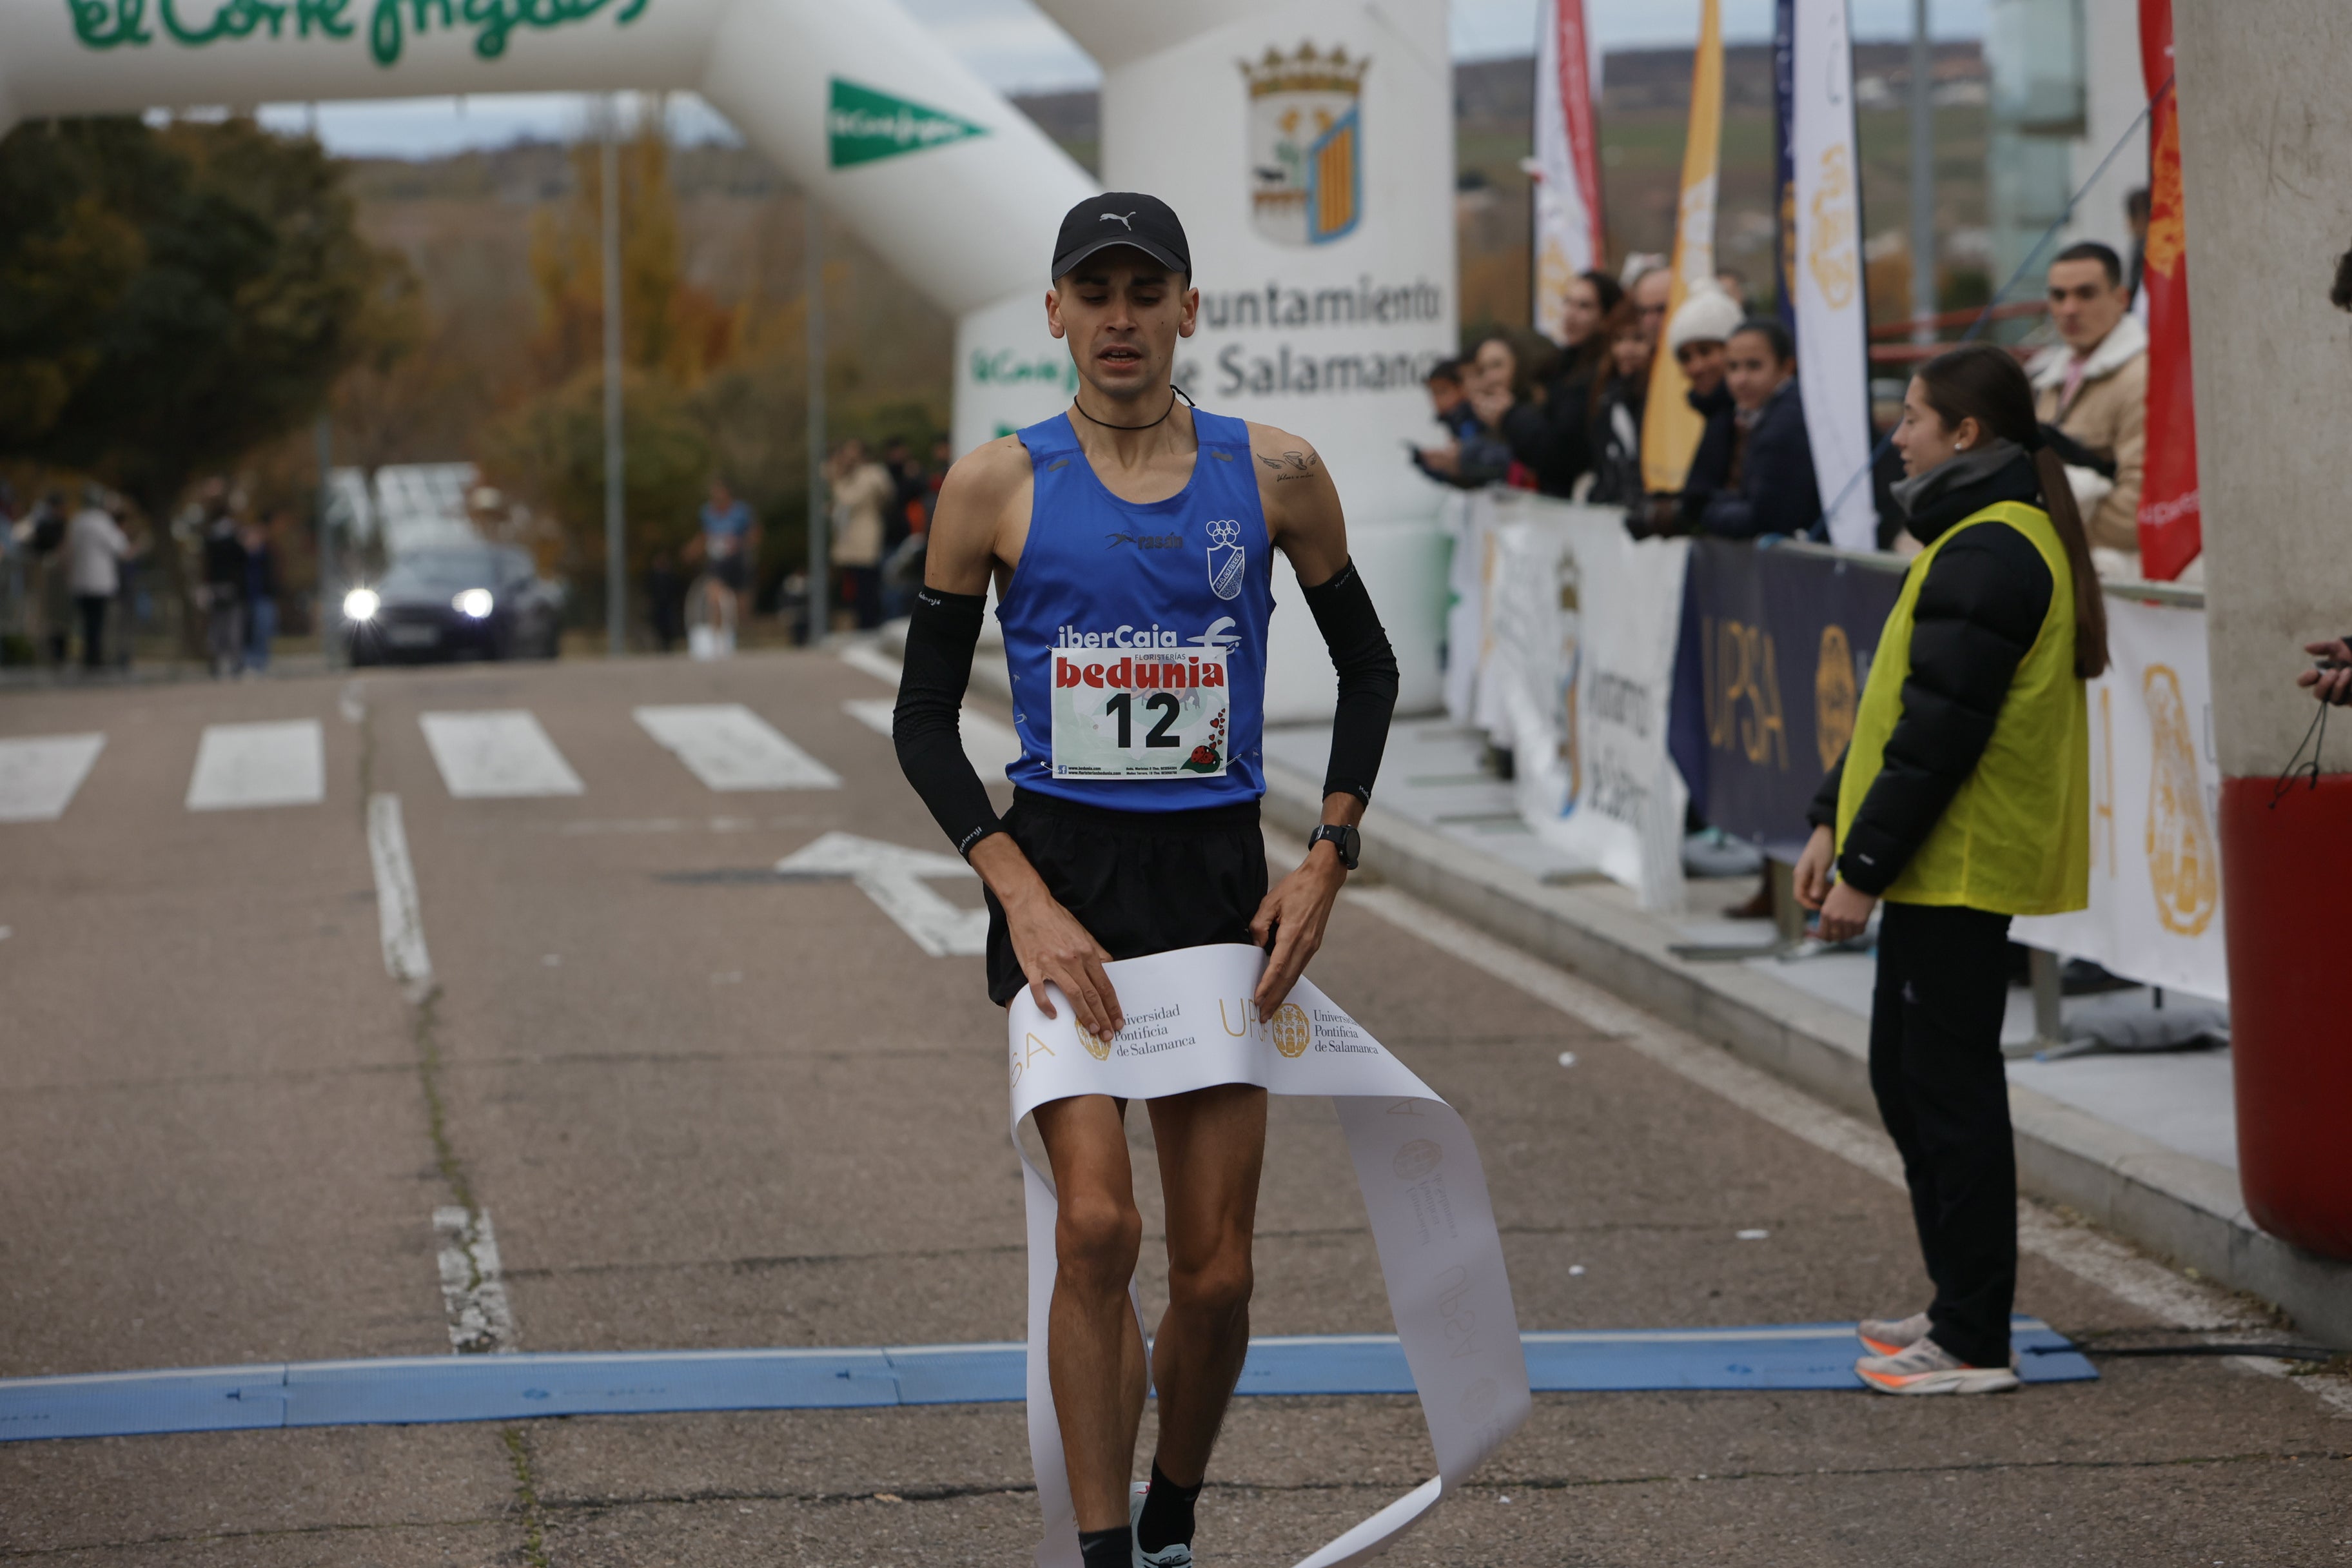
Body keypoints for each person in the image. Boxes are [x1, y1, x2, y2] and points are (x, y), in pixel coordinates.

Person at [892, 191, 1398, 1568]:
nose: (1119, 320)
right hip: (1063, 871)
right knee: (1100, 1225)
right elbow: (923, 718)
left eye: (1144, 291)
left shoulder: (1278, 473)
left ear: (1189, 306)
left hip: (1219, 887)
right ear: (1054, 314)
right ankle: (1106, 1551)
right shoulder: (996, 483)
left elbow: (1372, 667)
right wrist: (1019, 891)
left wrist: (1328, 854)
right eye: (1092, 294)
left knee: (1220, 1271)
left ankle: (1173, 1516)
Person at [1794, 342, 2108, 1396]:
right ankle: (1954, 1305)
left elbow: (1939, 732)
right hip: (1934, 861)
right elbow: (1897, 703)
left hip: (1957, 862)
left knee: (1947, 1093)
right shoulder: (1973, 538)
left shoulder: (1991, 550)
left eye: (1913, 416)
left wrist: (1862, 865)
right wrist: (1824, 820)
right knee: (1907, 1079)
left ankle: (1972, 1339)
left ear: (1963, 433)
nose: (1898, 433)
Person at [2032, 241, 2146, 573]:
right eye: (2058, 295)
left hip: (2118, 578)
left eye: (2085, 294)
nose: (2069, 308)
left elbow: (2141, 509)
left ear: (2121, 299)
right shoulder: (2047, 376)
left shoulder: (2143, 377)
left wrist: (2050, 529)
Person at [1683, 318, 1823, 539]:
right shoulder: (1763, 415)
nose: (1740, 380)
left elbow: (1764, 519)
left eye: (1754, 366)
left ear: (1786, 367)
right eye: (1733, 367)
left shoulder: (1785, 427)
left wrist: (1704, 510)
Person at [1509, 269, 1625, 496]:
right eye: (1568, 302)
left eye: (1584, 306)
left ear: (1606, 317)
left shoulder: (1602, 374)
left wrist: (1511, 416)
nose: (1570, 314)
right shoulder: (1555, 368)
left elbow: (1562, 452)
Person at [1587, 298, 1655, 508]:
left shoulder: (1656, 398)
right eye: (1619, 339)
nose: (1627, 349)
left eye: (1638, 339)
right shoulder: (1605, 394)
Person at [827, 438, 895, 632]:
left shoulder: (871, 475)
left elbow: (850, 499)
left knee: (867, 586)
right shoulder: (846, 475)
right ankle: (854, 624)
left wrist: (838, 481)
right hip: (846, 539)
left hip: (864, 537)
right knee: (850, 588)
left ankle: (868, 624)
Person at [66, 489, 132, 672]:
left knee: (86, 621)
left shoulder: (77, 521)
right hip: (100, 581)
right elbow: (121, 547)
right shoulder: (103, 522)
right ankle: (95, 657)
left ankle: (88, 655)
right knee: (99, 621)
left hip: (80, 579)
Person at [694, 479, 758, 630]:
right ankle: (717, 629)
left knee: (741, 599)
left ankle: (741, 629)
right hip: (717, 560)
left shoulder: (741, 511)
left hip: (738, 558)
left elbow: (755, 534)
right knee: (714, 592)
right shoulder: (707, 512)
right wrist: (695, 549)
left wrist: (740, 544)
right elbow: (705, 535)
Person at [200, 500, 246, 678]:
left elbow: (206, 564)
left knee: (217, 624)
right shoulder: (233, 537)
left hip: (215, 585)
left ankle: (218, 661)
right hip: (232, 585)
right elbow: (242, 557)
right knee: (233, 624)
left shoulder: (209, 537)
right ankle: (234, 662)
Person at [240, 513, 282, 673]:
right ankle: (248, 662)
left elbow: (275, 574)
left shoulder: (268, 553)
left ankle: (261, 663)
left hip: (265, 598)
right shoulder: (241, 556)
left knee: (263, 630)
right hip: (246, 599)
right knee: (246, 631)